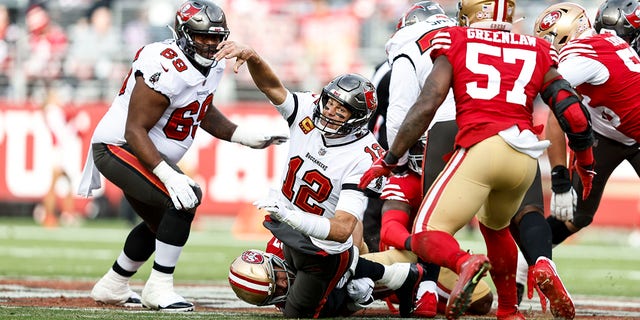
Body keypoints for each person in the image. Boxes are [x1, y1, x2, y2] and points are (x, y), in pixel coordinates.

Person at [358, 0, 596, 319]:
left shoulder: (456, 38)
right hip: (524, 150)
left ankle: (450, 272)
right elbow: (573, 113)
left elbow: (425, 105)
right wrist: (585, 162)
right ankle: (513, 306)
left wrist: (391, 157)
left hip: (474, 142)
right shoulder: (536, 46)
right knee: (498, 227)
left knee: (430, 227)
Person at [77, 0, 287, 312]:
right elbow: (135, 130)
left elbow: (199, 109)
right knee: (184, 197)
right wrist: (168, 174)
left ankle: (113, 283)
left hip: (144, 151)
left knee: (159, 222)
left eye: (216, 37)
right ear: (184, 34)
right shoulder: (164, 64)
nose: (211, 43)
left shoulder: (213, 63)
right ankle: (159, 287)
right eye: (203, 36)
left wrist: (243, 136)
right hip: (119, 146)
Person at [214, 40, 422, 318]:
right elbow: (272, 88)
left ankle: (381, 283)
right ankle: (378, 276)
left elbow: (344, 229)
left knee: (298, 311)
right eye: (331, 103)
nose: (330, 112)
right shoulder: (307, 110)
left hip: (323, 248)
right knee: (255, 278)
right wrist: (253, 57)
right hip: (289, 231)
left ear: (358, 118)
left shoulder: (363, 155)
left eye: (342, 110)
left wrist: (290, 216)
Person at [531, 0, 640, 298]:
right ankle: (524, 264)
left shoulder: (581, 53)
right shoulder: (595, 47)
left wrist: (558, 178)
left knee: (573, 211)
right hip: (606, 133)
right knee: (577, 214)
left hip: (624, 131)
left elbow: (556, 107)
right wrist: (561, 179)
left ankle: (522, 264)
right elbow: (558, 109)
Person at [377, 136, 493, 317]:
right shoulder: (405, 181)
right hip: (404, 254)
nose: (427, 156)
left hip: (434, 259)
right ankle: (407, 289)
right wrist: (422, 243)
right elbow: (389, 230)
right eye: (421, 150)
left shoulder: (455, 183)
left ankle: (419, 292)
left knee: (483, 301)